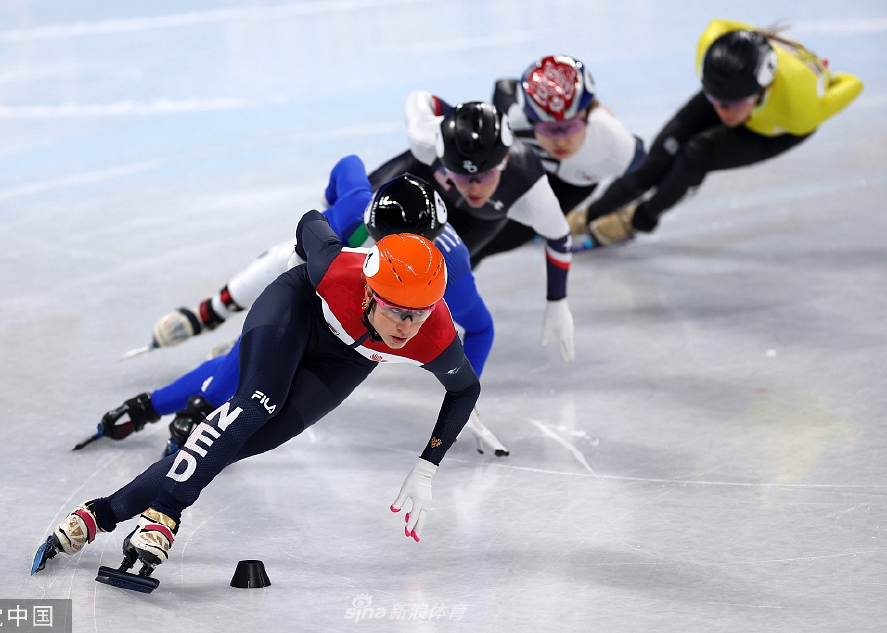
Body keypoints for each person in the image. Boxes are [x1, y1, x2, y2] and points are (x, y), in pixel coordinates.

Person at [33, 210, 481, 581]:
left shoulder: (435, 335)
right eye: (397, 312)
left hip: (344, 362)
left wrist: (427, 467)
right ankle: (164, 516)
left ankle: (100, 513)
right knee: (256, 403)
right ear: (370, 292)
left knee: (239, 443)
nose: (407, 327)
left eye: (418, 314)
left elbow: (465, 390)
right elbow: (311, 222)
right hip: (298, 307)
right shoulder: (336, 269)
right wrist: (297, 264)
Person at [96, 159, 508, 456]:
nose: (405, 263)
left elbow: (481, 328)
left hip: (347, 296)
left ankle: (153, 404)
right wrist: (206, 407)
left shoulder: (447, 265)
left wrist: (464, 397)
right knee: (252, 356)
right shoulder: (352, 214)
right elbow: (347, 169)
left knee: (261, 371)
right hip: (305, 266)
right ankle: (206, 329)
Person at [573, 18, 863, 247]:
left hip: (778, 124)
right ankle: (592, 212)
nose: (723, 113)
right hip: (745, 85)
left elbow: (853, 83)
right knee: (658, 158)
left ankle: (640, 219)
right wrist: (756, 40)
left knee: (697, 154)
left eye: (733, 105)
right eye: (715, 103)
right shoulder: (712, 48)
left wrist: (827, 77)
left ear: (762, 89)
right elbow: (720, 25)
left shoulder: (801, 108)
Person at [369, 96, 576, 362]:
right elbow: (420, 98)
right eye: (463, 175)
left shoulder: (530, 191)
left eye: (485, 175)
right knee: (358, 204)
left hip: (477, 220)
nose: (474, 188)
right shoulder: (426, 140)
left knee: (438, 279)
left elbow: (559, 236)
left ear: (503, 162)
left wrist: (557, 302)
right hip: (423, 179)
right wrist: (450, 115)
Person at [470, 54, 646, 263]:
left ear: (589, 113)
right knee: (477, 233)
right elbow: (503, 88)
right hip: (531, 165)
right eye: (549, 129)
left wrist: (606, 211)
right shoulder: (516, 118)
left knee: (502, 240)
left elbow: (648, 171)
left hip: (571, 186)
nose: (561, 142)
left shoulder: (618, 148)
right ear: (531, 120)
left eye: (570, 127)